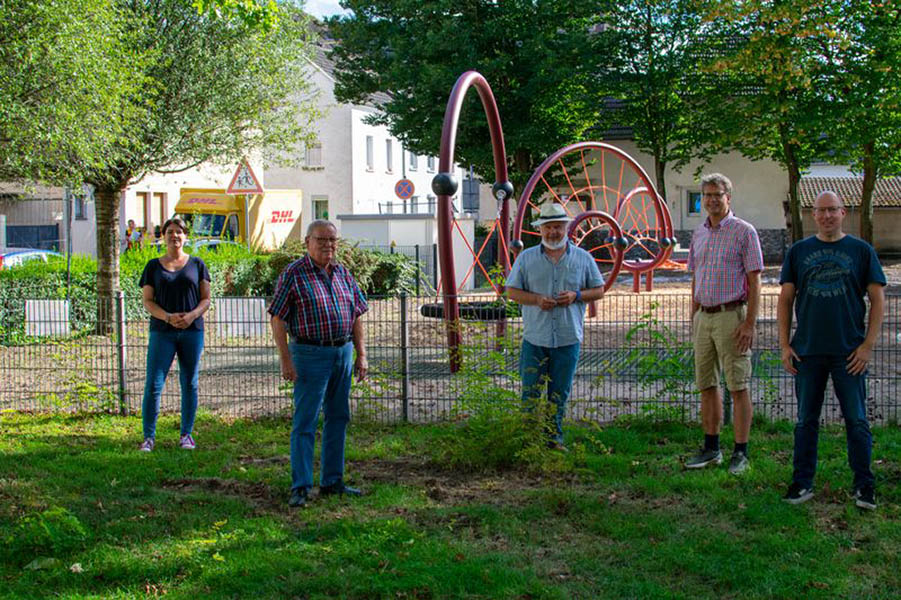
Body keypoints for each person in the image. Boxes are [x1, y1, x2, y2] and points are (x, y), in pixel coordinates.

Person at [778, 191, 885, 509]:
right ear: (814, 215)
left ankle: (864, 486)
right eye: (821, 211)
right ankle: (802, 483)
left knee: (856, 420)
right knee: (805, 421)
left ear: (843, 212)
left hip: (849, 354)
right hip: (807, 352)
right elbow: (785, 299)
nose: (827, 216)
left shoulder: (861, 251)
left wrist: (867, 346)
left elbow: (878, 300)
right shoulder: (798, 252)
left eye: (832, 210)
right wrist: (784, 345)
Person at [269, 220, 369, 508]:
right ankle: (300, 486)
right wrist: (285, 359)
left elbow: (357, 314)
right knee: (306, 422)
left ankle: (332, 481)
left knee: (339, 418)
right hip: (309, 355)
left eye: (332, 240)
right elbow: (277, 317)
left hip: (342, 353)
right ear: (307, 242)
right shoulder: (294, 274)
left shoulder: (343, 273)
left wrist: (361, 354)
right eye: (321, 240)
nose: (328, 245)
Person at [506, 202, 605, 451]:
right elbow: (511, 291)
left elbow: (599, 289)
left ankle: (553, 440)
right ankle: (527, 441)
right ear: (540, 229)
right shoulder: (527, 258)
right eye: (548, 227)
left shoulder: (583, 258)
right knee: (530, 393)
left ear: (566, 229)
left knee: (559, 393)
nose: (553, 232)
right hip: (535, 337)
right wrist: (537, 300)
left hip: (568, 337)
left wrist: (576, 296)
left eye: (558, 227)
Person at [685, 173, 763, 474]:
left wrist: (749, 324)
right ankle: (711, 448)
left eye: (718, 194)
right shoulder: (699, 234)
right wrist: (693, 316)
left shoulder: (744, 232)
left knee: (738, 385)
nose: (712, 200)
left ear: (728, 197)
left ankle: (740, 452)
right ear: (702, 199)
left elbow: (755, 280)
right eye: (706, 195)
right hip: (704, 316)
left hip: (732, 315)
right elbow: (696, 276)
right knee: (706, 383)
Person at [138, 217, 211, 451]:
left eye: (179, 232)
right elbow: (148, 301)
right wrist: (168, 317)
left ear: (186, 236)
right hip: (162, 332)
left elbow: (206, 299)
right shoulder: (152, 266)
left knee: (189, 383)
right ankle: (149, 436)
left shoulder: (198, 264)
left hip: (192, 332)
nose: (175, 236)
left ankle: (186, 435)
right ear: (163, 236)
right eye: (170, 232)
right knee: (154, 384)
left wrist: (191, 316)